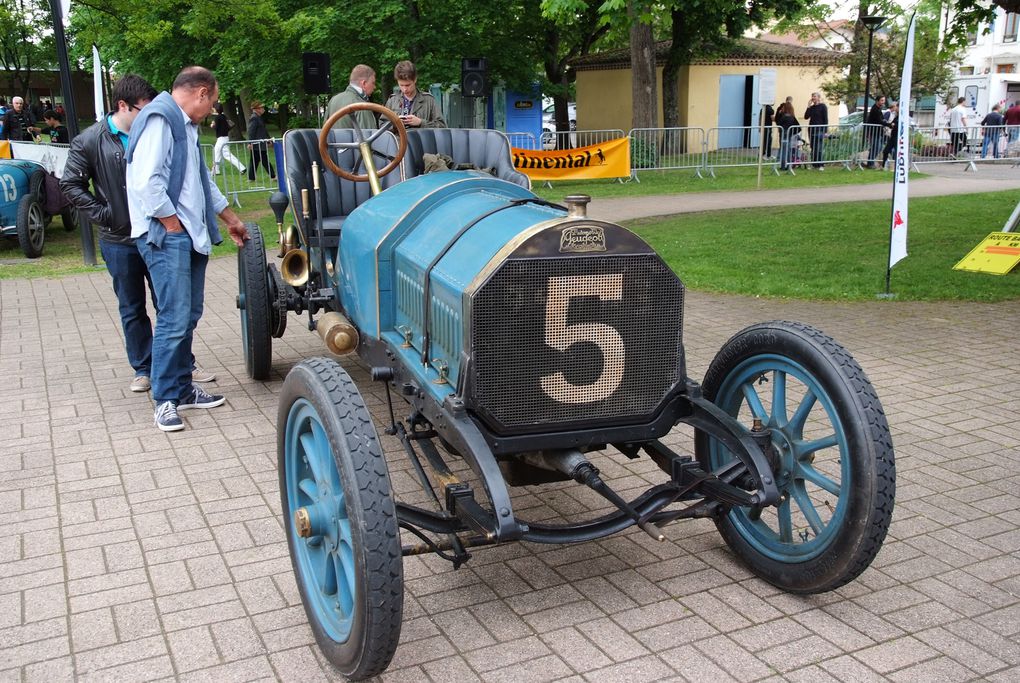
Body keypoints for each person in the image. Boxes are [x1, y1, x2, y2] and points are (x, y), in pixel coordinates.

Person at [62, 74, 217, 395]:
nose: (148, 115)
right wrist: (107, 215)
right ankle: (144, 369)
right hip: (119, 238)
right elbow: (70, 185)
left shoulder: (159, 129)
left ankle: (180, 368)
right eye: (141, 110)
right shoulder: (91, 139)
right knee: (132, 307)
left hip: (155, 233)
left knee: (172, 307)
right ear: (123, 106)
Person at [126, 66, 249, 432]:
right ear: (201, 92)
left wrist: (230, 218)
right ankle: (165, 398)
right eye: (212, 101)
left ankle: (181, 388)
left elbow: (201, 180)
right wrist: (172, 223)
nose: (212, 110)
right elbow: (146, 181)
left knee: (187, 316)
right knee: (174, 318)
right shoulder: (160, 120)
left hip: (187, 235)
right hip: (167, 236)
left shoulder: (184, 127)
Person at [384, 60, 446, 129]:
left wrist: (420, 122)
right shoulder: (392, 101)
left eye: (408, 85)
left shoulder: (429, 100)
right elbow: (382, 126)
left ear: (415, 80)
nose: (404, 89)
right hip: (399, 139)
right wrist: (395, 124)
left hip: (421, 139)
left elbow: (441, 126)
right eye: (401, 85)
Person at [326, 65, 377, 129]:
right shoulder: (361, 105)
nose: (374, 87)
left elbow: (325, 130)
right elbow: (370, 136)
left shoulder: (333, 100)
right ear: (363, 83)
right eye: (373, 83)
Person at [211, 102, 245, 175]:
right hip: (225, 137)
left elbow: (216, 128)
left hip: (221, 138)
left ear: (216, 109)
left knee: (225, 154)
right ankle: (216, 170)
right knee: (217, 153)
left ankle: (242, 168)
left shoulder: (217, 118)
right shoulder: (224, 116)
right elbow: (229, 126)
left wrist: (212, 125)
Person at [246, 100, 275, 181]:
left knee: (256, 161)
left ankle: (251, 178)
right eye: (261, 107)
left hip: (260, 143)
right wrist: (250, 143)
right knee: (263, 160)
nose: (263, 109)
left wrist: (269, 140)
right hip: (256, 144)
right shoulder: (254, 118)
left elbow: (263, 131)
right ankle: (273, 176)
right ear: (256, 109)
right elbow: (251, 131)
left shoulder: (258, 117)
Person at [803, 92, 828, 170]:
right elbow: (806, 117)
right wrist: (808, 106)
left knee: (819, 148)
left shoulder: (823, 106)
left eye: (814, 96)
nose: (813, 98)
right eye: (812, 96)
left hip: (820, 130)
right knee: (813, 147)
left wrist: (825, 131)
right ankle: (814, 164)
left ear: (818, 97)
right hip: (812, 130)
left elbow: (825, 119)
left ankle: (821, 165)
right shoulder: (812, 107)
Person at [775, 102, 800, 171]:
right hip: (789, 135)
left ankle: (783, 166)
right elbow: (799, 127)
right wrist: (792, 133)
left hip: (783, 135)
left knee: (783, 151)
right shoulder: (792, 117)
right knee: (788, 151)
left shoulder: (784, 117)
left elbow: (778, 124)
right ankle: (789, 166)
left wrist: (779, 114)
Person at [865, 95, 886, 168]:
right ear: (877, 101)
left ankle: (870, 162)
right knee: (877, 147)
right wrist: (888, 124)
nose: (883, 102)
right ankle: (870, 163)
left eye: (884, 100)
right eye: (882, 100)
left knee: (878, 147)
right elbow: (879, 120)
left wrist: (885, 122)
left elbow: (882, 119)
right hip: (874, 132)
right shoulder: (875, 109)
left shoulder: (879, 109)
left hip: (877, 132)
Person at [880, 102, 900, 169]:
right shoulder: (896, 116)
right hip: (893, 136)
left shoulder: (902, 117)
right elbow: (891, 124)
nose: (896, 108)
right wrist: (892, 125)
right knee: (886, 151)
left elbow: (898, 126)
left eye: (897, 107)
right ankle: (883, 166)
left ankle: (898, 166)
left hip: (897, 137)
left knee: (897, 152)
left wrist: (894, 125)